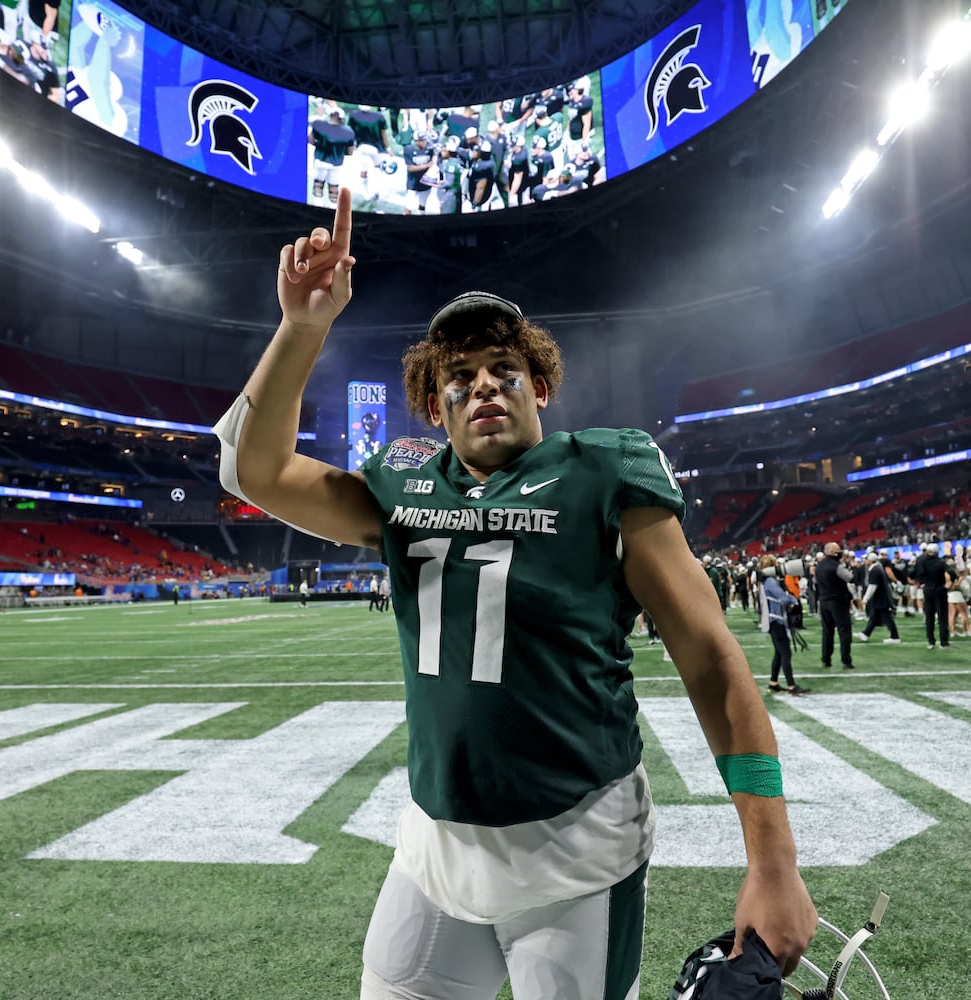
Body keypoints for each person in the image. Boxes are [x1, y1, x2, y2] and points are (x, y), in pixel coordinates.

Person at [214, 189, 815, 997]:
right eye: (459, 376)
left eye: (506, 369)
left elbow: (710, 661)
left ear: (541, 386)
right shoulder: (399, 482)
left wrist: (772, 863)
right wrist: (302, 327)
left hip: (574, 850)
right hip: (433, 846)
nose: (486, 385)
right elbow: (256, 472)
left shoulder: (603, 470)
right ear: (433, 405)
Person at [759, 555, 809, 695]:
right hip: (777, 621)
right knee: (786, 652)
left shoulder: (766, 581)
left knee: (779, 653)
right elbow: (783, 598)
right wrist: (791, 601)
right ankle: (792, 686)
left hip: (772, 621)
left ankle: (773, 682)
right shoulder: (770, 581)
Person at [815, 543, 855, 669]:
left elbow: (816, 582)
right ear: (832, 552)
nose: (841, 552)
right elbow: (850, 578)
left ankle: (826, 659)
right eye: (838, 550)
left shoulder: (818, 566)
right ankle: (846, 660)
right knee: (844, 631)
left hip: (824, 601)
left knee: (827, 632)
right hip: (838, 601)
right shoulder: (837, 566)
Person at [911, 543, 951, 649]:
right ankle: (944, 642)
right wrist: (949, 583)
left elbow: (911, 573)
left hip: (927, 590)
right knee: (942, 616)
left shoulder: (921, 561)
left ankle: (931, 641)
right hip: (940, 589)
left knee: (929, 616)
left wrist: (920, 582)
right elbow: (951, 572)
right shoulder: (941, 562)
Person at [857, 553, 901, 644]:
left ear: (871, 560)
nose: (865, 561)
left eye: (866, 559)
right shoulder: (877, 568)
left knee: (887, 618)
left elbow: (872, 586)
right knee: (874, 617)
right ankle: (865, 634)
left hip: (881, 598)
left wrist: (865, 598)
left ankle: (895, 637)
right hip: (881, 598)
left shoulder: (875, 570)